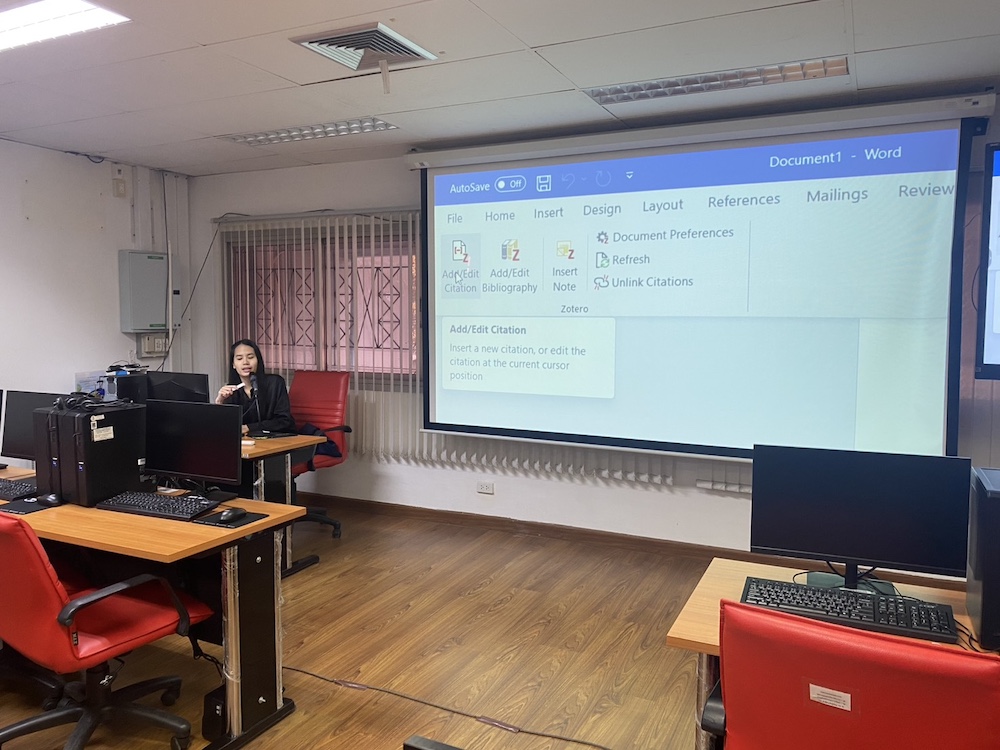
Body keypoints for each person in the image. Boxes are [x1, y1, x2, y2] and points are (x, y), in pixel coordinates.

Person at [215, 339, 295, 436]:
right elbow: (224, 427)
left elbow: (284, 421)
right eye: (239, 359)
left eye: (250, 357)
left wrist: (248, 428)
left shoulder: (275, 383)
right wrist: (219, 402)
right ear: (233, 365)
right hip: (247, 443)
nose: (245, 362)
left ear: (258, 360)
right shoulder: (230, 391)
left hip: (278, 440)